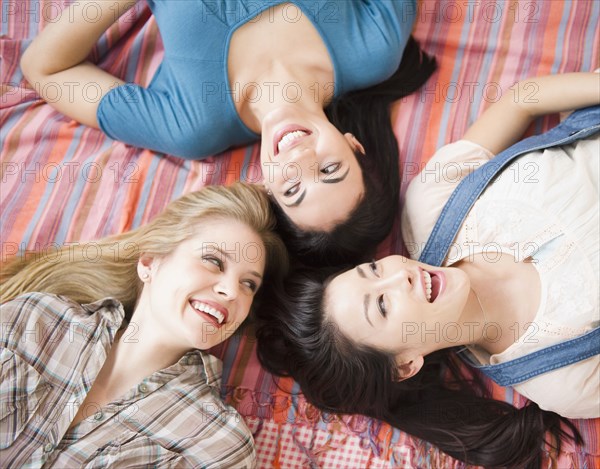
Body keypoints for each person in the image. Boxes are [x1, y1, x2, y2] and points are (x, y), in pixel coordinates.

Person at [255, 72, 600, 468]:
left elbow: (522, 99)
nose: (398, 274)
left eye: (372, 270)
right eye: (383, 305)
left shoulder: (430, 206)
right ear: (405, 364)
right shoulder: (561, 378)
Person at [19, 0, 436, 265]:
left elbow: (46, 69)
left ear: (267, 188)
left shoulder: (191, 126)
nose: (300, 160)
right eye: (329, 169)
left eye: (292, 190)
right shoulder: (373, 50)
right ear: (353, 145)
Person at [0, 182, 288, 467]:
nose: (232, 291)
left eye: (248, 284)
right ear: (150, 262)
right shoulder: (37, 321)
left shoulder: (215, 446)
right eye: (213, 261)